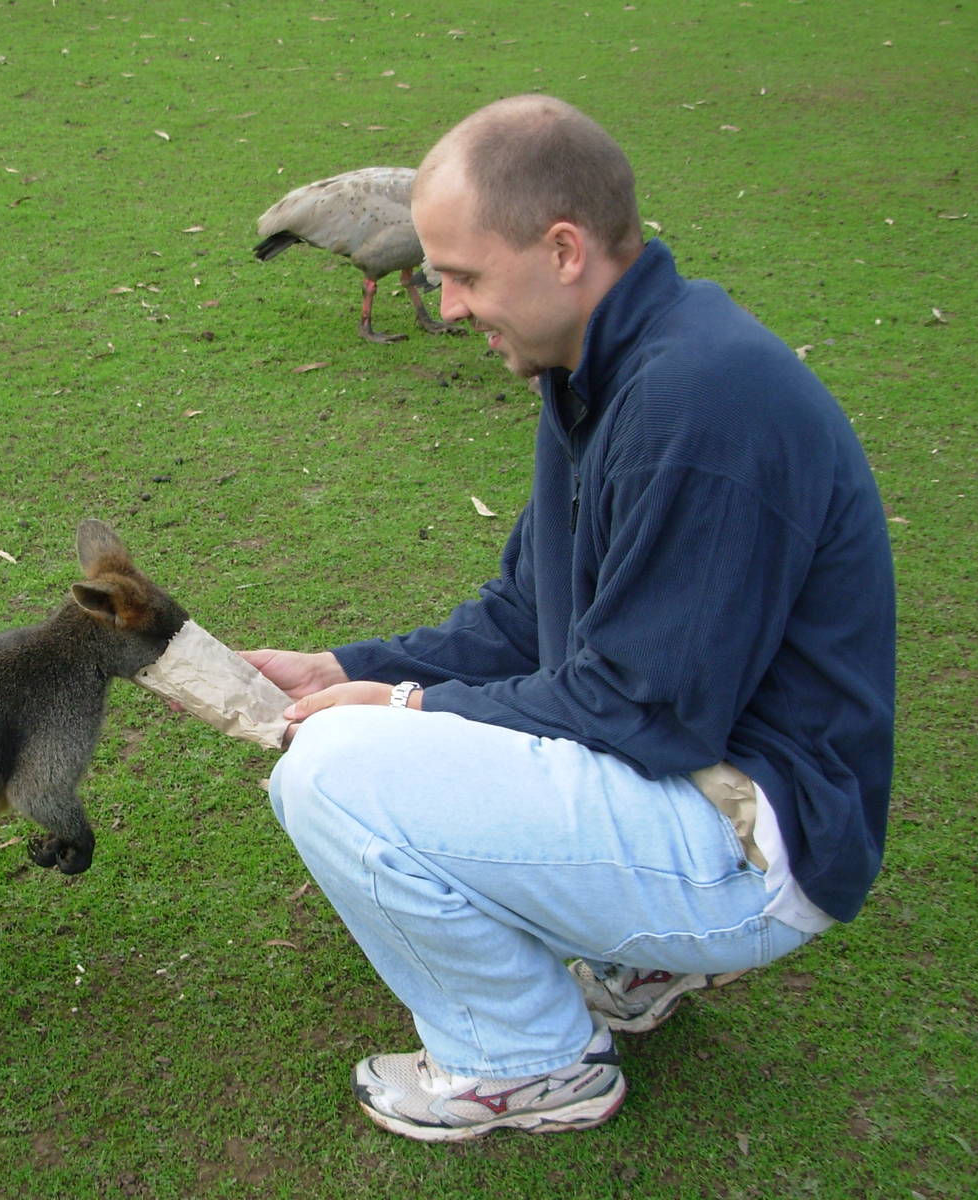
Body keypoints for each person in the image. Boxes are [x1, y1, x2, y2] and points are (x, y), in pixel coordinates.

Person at [242, 95, 895, 1143]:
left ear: (561, 249)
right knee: (356, 730)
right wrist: (337, 666)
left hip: (761, 841)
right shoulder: (602, 365)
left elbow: (643, 706)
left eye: (461, 275)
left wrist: (401, 707)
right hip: (708, 776)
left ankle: (524, 1064)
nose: (447, 306)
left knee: (333, 777)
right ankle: (640, 959)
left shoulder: (699, 403)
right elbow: (525, 617)